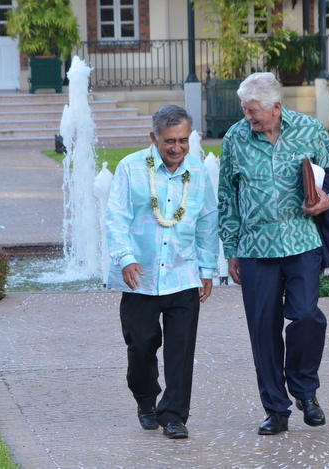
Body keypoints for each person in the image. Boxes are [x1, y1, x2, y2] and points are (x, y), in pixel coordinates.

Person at [218, 72, 329, 435]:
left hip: (302, 242)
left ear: (275, 107)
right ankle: (276, 408)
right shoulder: (234, 138)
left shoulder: (310, 129)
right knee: (263, 330)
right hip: (255, 249)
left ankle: (305, 390)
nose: (248, 117)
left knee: (305, 316)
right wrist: (231, 248)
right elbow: (226, 196)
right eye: (244, 109)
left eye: (253, 111)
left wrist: (327, 200)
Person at [105, 105, 219, 439]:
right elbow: (115, 217)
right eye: (169, 140)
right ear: (153, 137)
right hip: (140, 278)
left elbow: (207, 224)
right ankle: (146, 400)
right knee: (141, 346)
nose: (176, 148)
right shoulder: (130, 168)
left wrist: (208, 269)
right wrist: (126, 258)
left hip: (183, 276)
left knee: (180, 350)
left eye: (183, 140)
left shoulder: (197, 174)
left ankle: (174, 416)